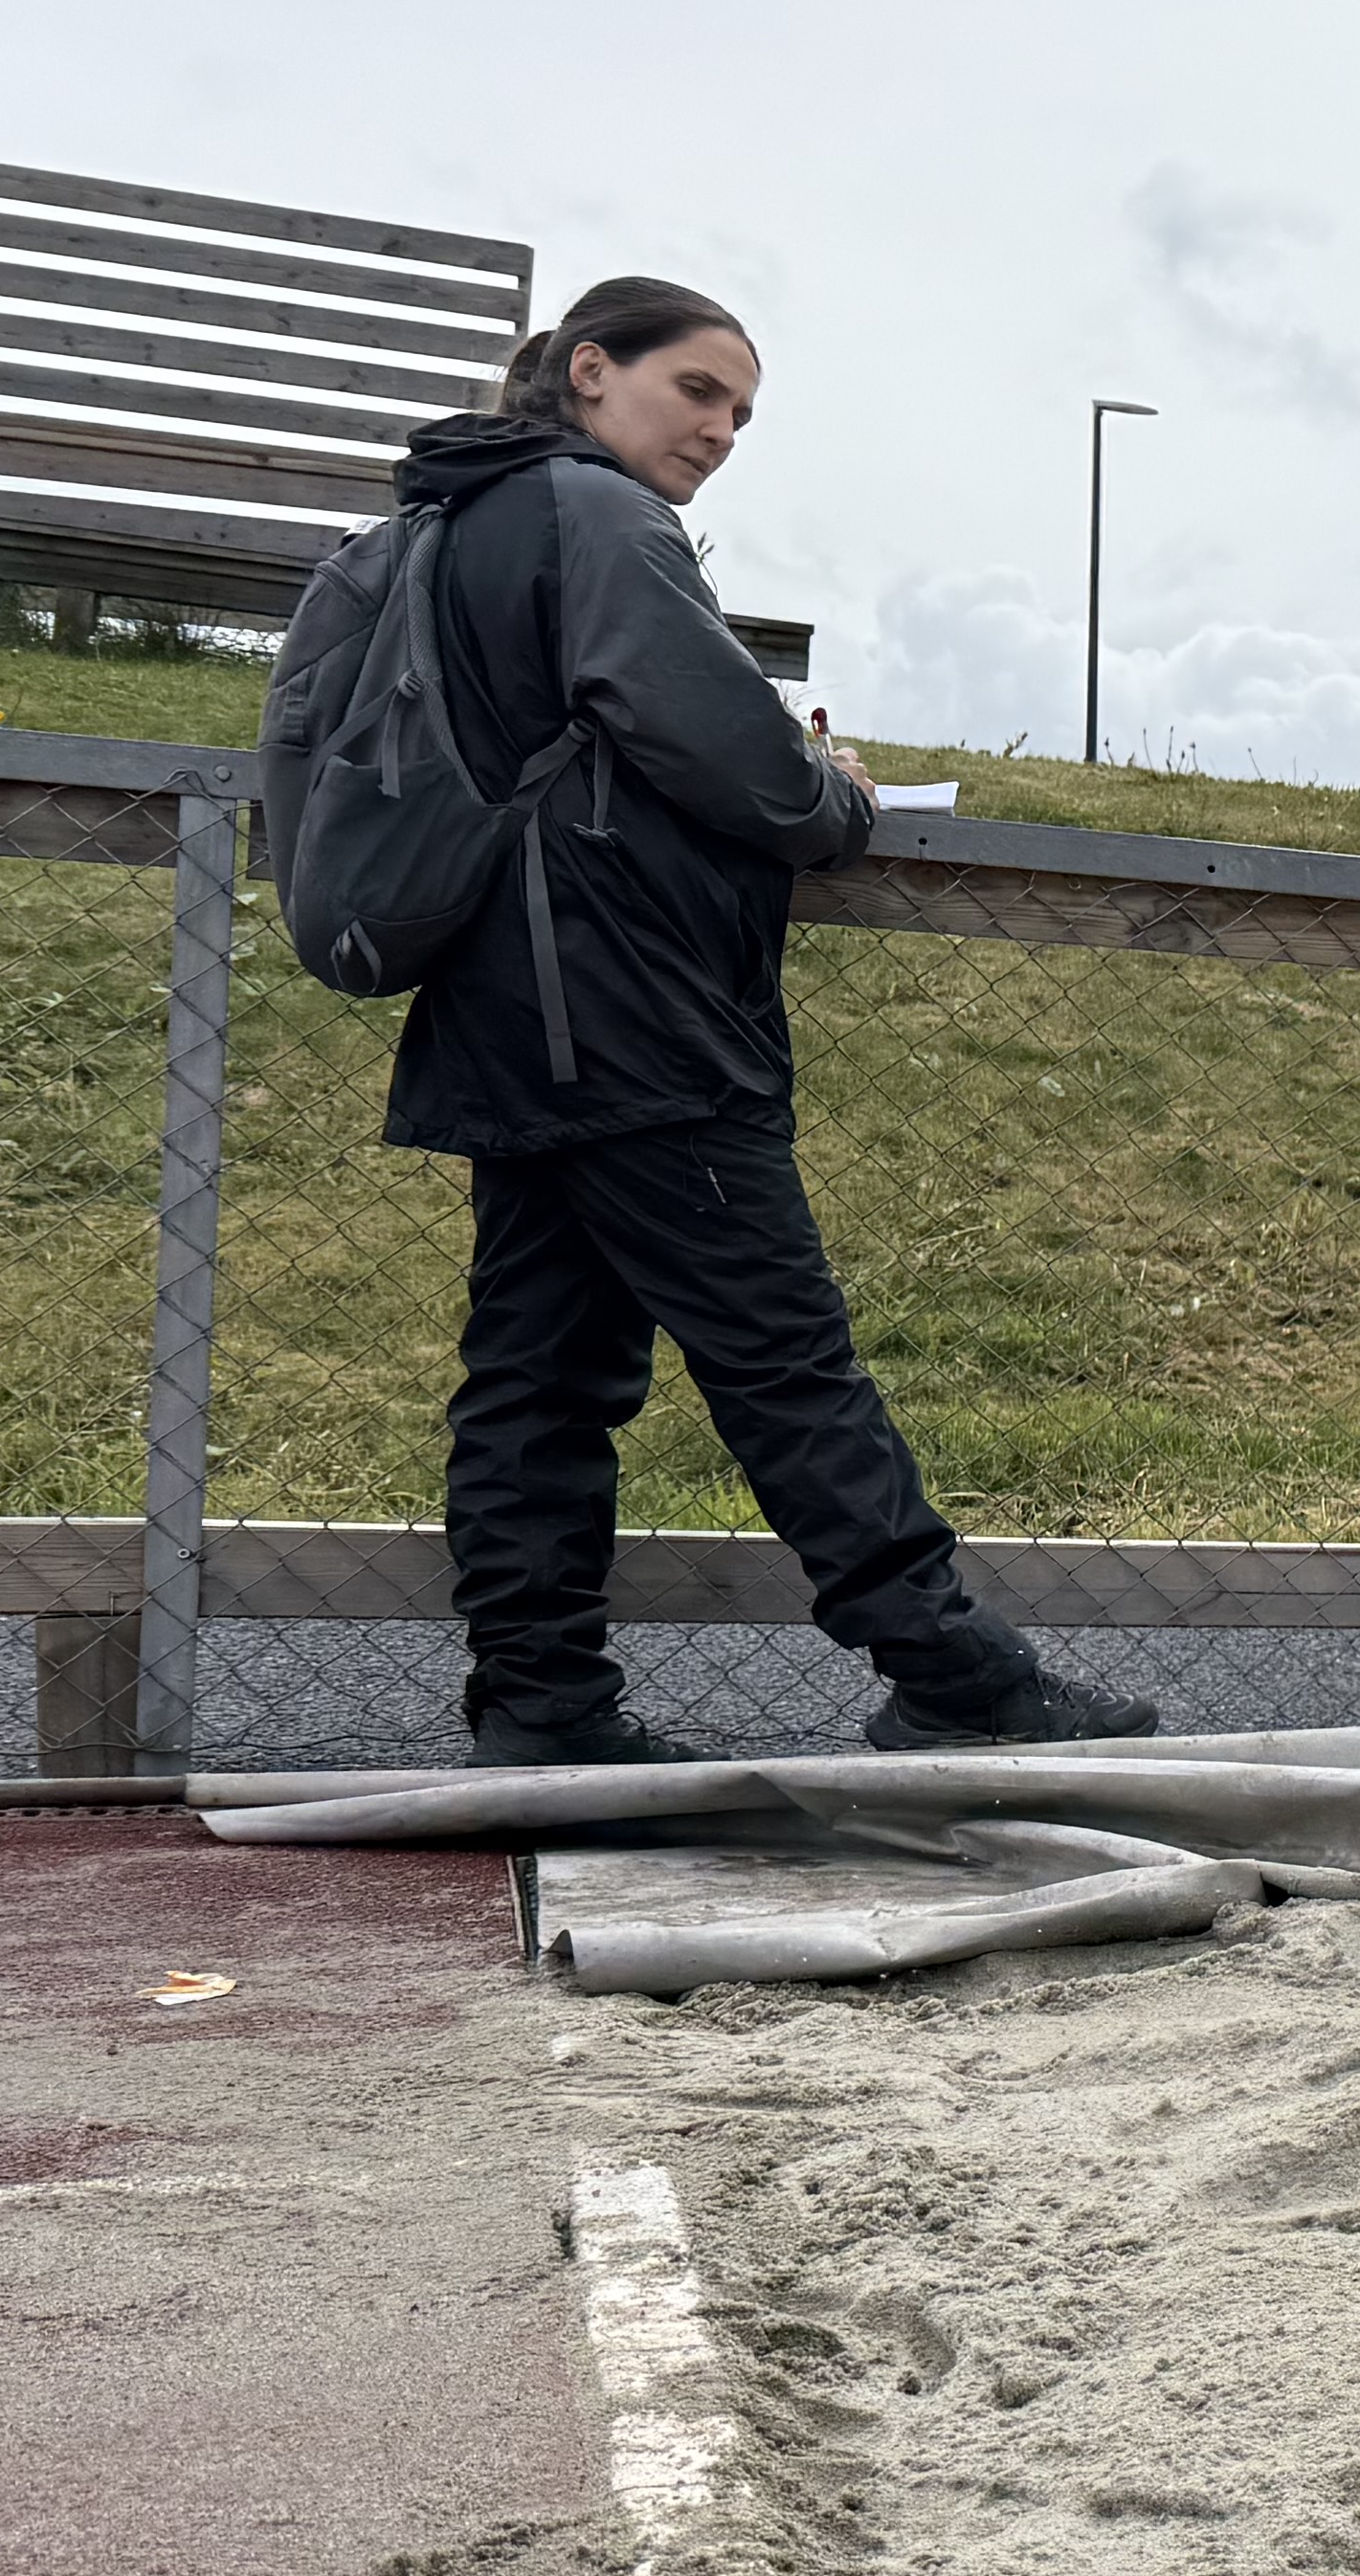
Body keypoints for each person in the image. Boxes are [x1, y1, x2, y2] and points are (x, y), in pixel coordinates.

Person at [287, 276, 1159, 1766]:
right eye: (698, 390)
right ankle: (952, 1676)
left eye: (743, 413)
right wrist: (841, 798)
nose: (721, 431)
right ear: (589, 369)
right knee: (783, 1356)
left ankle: (541, 1705)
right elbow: (737, 758)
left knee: (539, 1379)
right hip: (633, 1016)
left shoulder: (447, 522)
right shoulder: (598, 515)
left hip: (507, 1006)